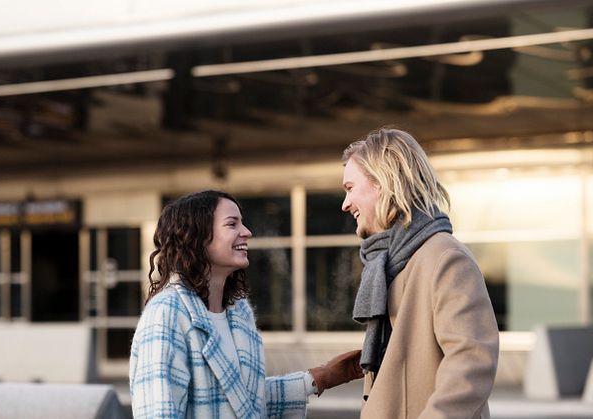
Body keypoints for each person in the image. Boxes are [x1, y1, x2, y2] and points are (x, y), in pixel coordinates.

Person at [129, 190, 363, 418]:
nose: (247, 232)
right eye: (232, 224)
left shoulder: (238, 313)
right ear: (196, 237)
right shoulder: (167, 313)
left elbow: (243, 402)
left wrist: (324, 376)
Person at [341, 128, 499, 418]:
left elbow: (472, 361)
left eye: (350, 188)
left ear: (381, 182)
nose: (345, 204)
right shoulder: (386, 263)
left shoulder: (445, 257)